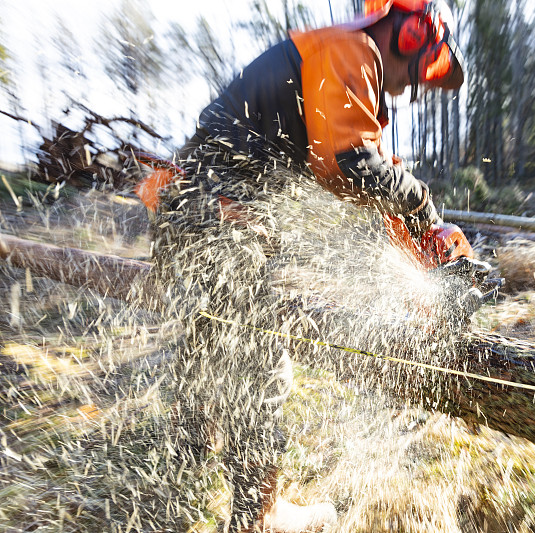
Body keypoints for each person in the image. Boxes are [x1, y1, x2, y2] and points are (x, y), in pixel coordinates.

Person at [140, 1, 465, 531]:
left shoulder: (336, 59)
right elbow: (348, 164)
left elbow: (367, 173)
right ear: (408, 34)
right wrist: (422, 204)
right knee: (257, 356)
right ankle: (260, 515)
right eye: (422, 71)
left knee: (213, 338)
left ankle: (183, 470)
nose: (413, 86)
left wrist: (416, 251)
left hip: (190, 209)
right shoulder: (352, 50)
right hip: (219, 216)